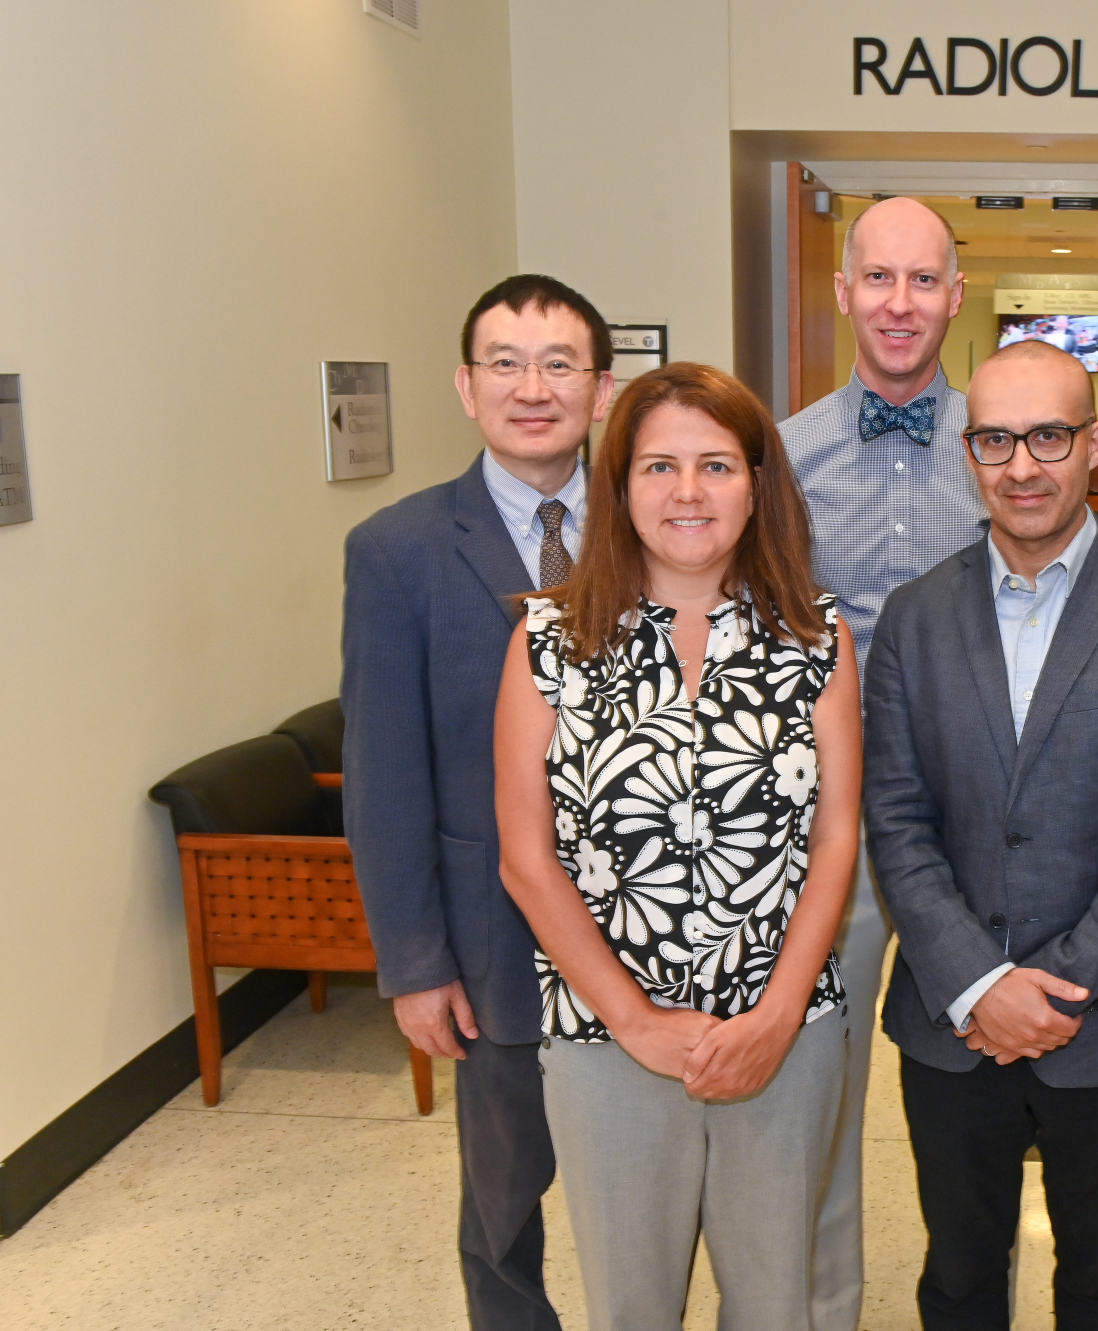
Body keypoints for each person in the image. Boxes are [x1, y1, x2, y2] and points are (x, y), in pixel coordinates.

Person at [865, 340, 1098, 1330]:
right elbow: (894, 813)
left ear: (1095, 444)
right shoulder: (912, 616)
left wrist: (1058, 986)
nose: (1020, 465)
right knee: (957, 1275)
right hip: (952, 1020)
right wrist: (981, 983)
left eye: (1047, 436)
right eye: (994, 440)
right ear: (966, 452)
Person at [492, 362, 861, 1329]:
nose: (688, 492)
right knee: (632, 1305)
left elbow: (835, 838)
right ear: (617, 487)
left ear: (758, 483)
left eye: (716, 465)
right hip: (606, 1036)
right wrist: (636, 1020)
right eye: (658, 466)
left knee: (776, 1301)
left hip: (782, 1032)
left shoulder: (817, 635)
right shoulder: (546, 638)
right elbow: (525, 858)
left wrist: (778, 1015)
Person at [342, 273, 615, 1330]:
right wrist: (413, 963)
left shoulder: (660, 526)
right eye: (505, 362)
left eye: (559, 364)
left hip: (644, 932)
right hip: (488, 937)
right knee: (504, 1199)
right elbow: (385, 772)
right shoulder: (397, 552)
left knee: (646, 1180)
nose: (531, 387)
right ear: (466, 386)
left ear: (599, 388)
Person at [779, 194, 988, 1331]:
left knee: (986, 1101)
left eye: (923, 280)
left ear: (955, 295)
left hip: (979, 821)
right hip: (833, 823)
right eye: (878, 278)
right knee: (818, 1093)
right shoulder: (782, 454)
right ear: (844, 291)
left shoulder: (1001, 450)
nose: (899, 303)